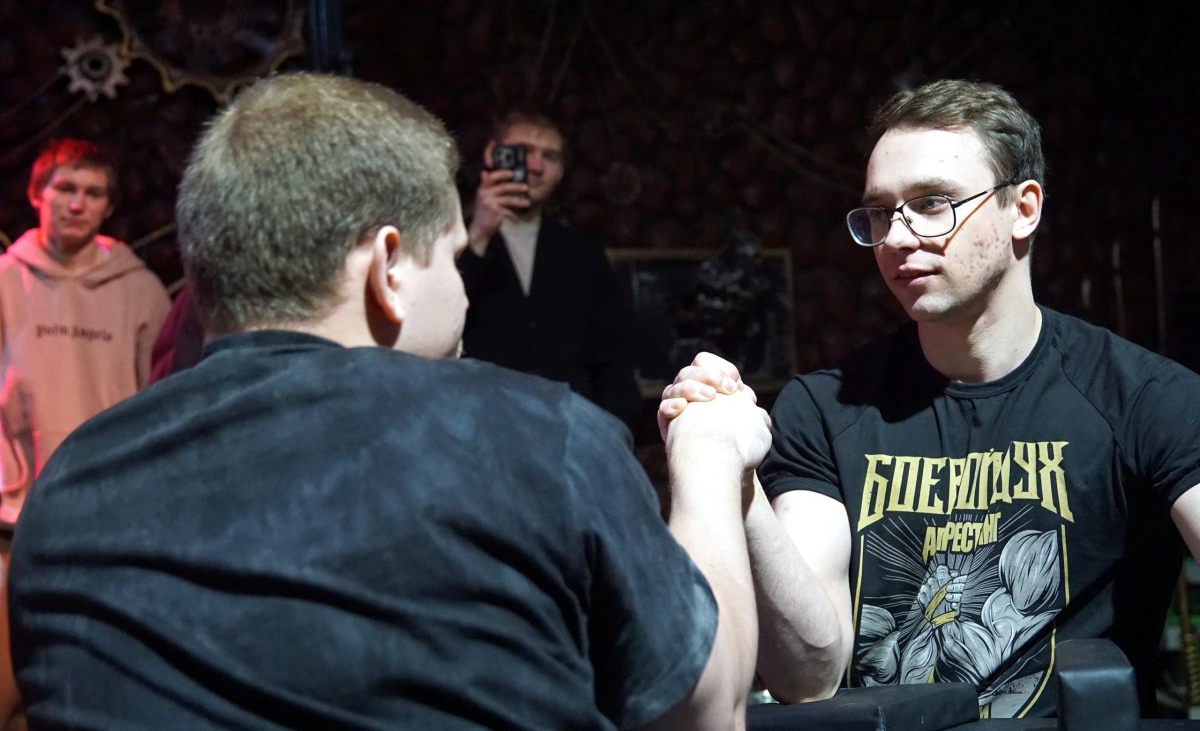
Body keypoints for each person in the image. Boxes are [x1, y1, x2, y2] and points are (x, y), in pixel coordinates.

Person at [8, 72, 770, 730]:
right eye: (452, 256)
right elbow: (706, 709)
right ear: (389, 266)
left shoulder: (69, 486)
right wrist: (707, 458)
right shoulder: (539, 439)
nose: (462, 289)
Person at [660, 79, 1200, 719]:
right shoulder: (826, 408)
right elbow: (811, 672)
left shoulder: (1144, 397)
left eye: (932, 203)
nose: (896, 236)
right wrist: (741, 485)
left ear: (1024, 209)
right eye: (880, 212)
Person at [0, 138, 170, 527]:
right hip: (13, 506)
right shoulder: (5, 280)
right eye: (65, 189)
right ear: (36, 194)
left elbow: (161, 399)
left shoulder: (140, 291)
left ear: (108, 207)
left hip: (109, 499)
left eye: (93, 194)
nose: (77, 205)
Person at [459, 108, 642, 430]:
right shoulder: (451, 240)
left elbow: (611, 355)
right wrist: (478, 235)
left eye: (550, 156)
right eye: (523, 152)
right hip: (479, 425)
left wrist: (615, 430)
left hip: (569, 429)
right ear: (493, 154)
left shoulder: (581, 253)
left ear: (561, 171)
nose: (536, 165)